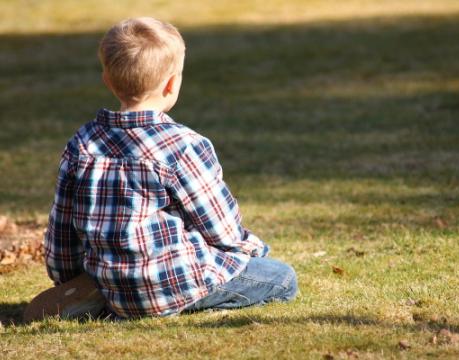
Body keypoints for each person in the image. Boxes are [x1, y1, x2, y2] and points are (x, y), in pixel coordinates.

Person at [38, 17, 297, 320]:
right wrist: (251, 250)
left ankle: (106, 304)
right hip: (176, 282)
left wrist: (67, 280)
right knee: (282, 277)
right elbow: (221, 229)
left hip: (111, 287)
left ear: (107, 80)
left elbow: (61, 229)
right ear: (173, 83)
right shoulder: (182, 145)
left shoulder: (81, 145)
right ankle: (176, 304)